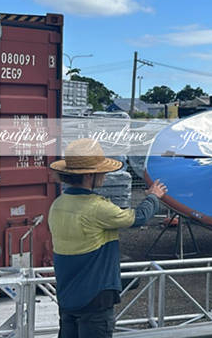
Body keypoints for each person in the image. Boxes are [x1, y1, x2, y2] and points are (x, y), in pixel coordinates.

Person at [48, 139, 167, 338]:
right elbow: (138, 218)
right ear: (89, 176)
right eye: (101, 171)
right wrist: (153, 197)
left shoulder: (58, 204)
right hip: (94, 297)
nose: (104, 175)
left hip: (67, 295)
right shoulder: (97, 207)